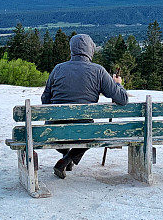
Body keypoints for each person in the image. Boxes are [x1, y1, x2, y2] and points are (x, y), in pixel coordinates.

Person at [41, 33, 128, 179]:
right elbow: (123, 99)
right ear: (90, 50)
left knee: (69, 131)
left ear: (72, 49)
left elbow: (45, 98)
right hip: (84, 132)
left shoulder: (58, 69)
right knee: (91, 134)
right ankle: (67, 159)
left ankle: (65, 156)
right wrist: (118, 84)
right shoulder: (98, 71)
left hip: (54, 131)